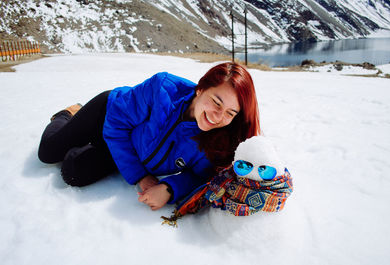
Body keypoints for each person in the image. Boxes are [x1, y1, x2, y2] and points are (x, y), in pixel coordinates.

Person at [38, 62, 261, 210]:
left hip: (126, 147)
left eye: (230, 113)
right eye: (216, 102)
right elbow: (116, 124)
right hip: (108, 115)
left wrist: (169, 188)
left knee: (73, 171)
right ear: (200, 89)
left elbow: (200, 176)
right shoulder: (162, 89)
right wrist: (141, 176)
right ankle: (69, 115)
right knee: (48, 152)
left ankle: (83, 142)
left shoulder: (217, 140)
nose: (218, 116)